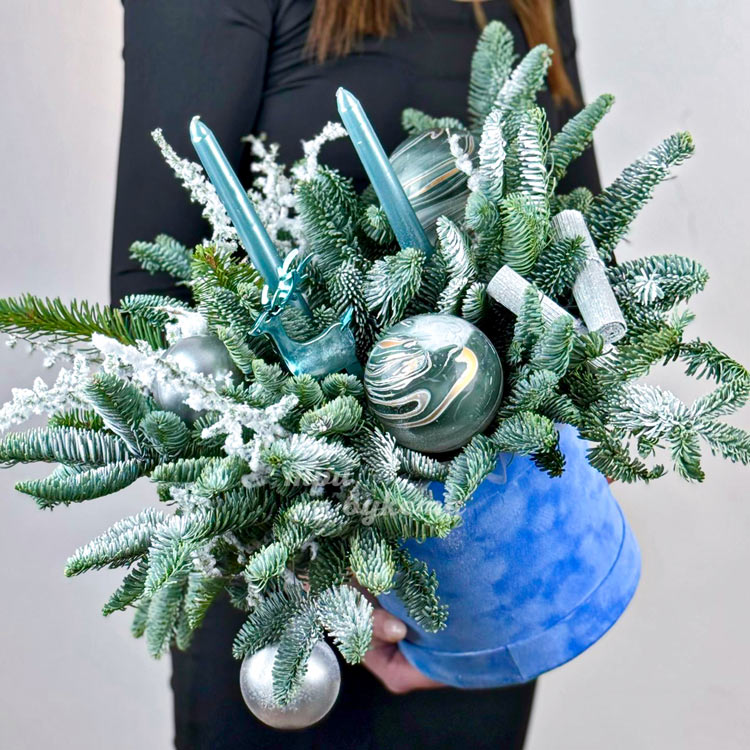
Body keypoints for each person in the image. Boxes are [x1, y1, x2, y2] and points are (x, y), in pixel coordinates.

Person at [112, 2, 601, 748]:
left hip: (479, 596)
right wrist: (318, 559)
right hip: (295, 619)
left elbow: (578, 237)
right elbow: (150, 302)